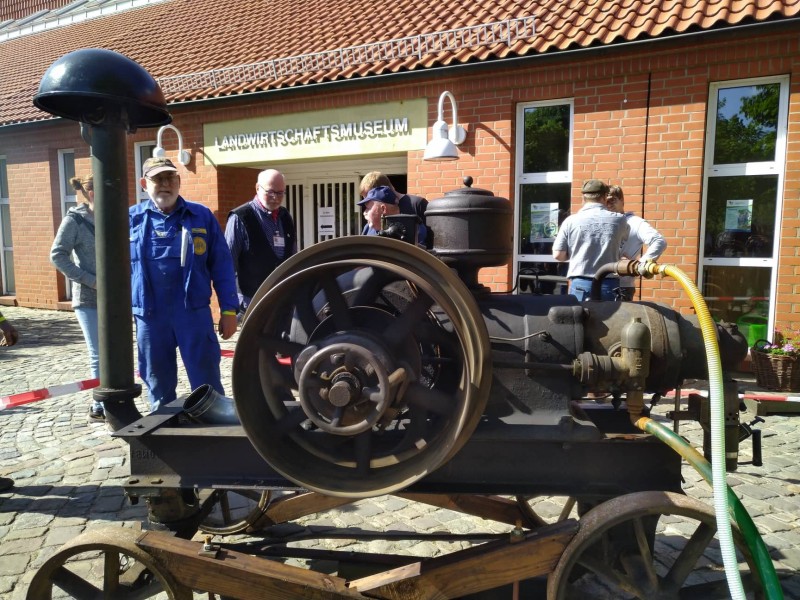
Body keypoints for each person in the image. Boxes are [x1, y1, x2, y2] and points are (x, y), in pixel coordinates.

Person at [130, 157, 238, 411]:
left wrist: (229, 311)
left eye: (170, 178)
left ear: (178, 181)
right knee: (157, 380)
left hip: (193, 313)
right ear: (144, 184)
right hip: (150, 316)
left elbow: (222, 265)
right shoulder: (130, 219)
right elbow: (114, 270)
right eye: (157, 179)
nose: (165, 184)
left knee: (207, 382)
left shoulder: (201, 216)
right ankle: (163, 426)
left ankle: (213, 425)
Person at [50, 174, 105, 420]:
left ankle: (117, 398)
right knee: (98, 354)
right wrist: (91, 280)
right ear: (92, 193)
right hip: (88, 299)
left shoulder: (114, 217)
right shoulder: (75, 220)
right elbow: (57, 255)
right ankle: (100, 405)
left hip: (115, 298)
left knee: (116, 352)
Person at [225, 169, 296, 313]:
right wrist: (229, 308)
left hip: (282, 301)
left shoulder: (285, 217)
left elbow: (293, 257)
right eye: (270, 192)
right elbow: (227, 265)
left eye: (280, 193)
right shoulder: (240, 218)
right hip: (251, 303)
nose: (275, 198)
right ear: (257, 188)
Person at [552, 179, 629, 301]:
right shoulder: (620, 219)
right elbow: (624, 238)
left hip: (581, 282)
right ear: (605, 197)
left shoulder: (570, 221)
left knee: (579, 314)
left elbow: (558, 255)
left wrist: (577, 253)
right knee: (611, 314)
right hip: (609, 282)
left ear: (583, 197)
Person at [605, 185, 667, 300]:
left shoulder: (635, 223)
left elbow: (658, 241)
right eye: (606, 201)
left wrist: (639, 265)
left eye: (613, 200)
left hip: (621, 287)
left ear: (622, 200)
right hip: (599, 283)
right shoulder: (601, 223)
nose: (609, 204)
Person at [359, 171, 429, 246]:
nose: (365, 211)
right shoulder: (370, 226)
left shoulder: (417, 204)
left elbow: (430, 241)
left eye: (369, 198)